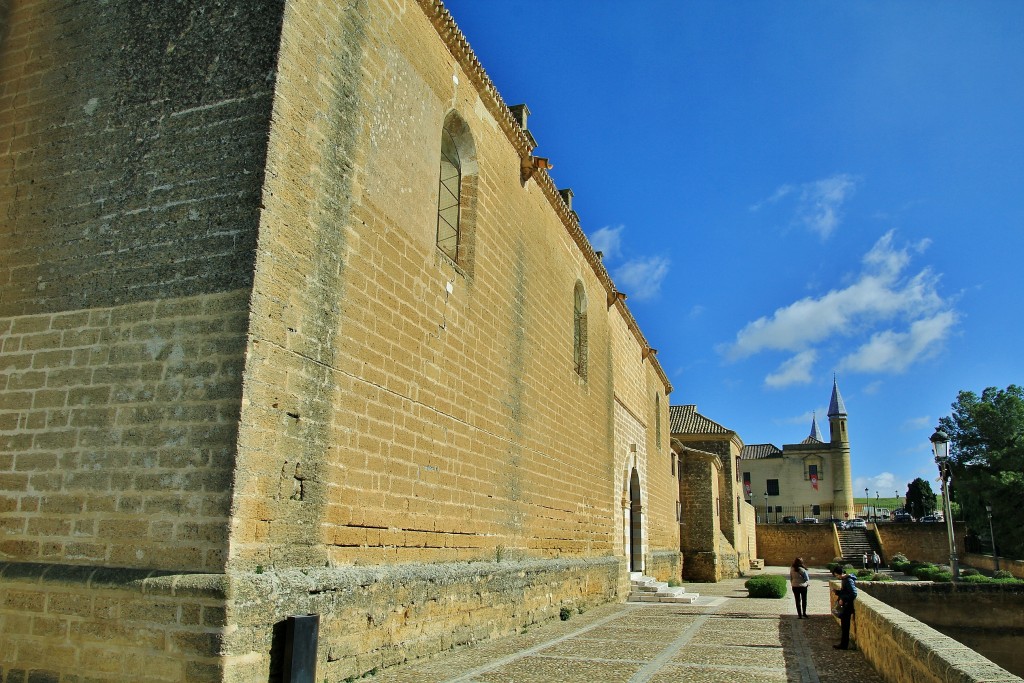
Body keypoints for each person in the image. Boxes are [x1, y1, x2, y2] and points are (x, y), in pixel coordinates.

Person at [831, 565, 858, 649]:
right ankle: (843, 644)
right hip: (846, 605)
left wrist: (843, 598)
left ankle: (844, 645)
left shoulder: (848, 580)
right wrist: (837, 592)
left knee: (845, 626)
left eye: (836, 575)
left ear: (839, 573)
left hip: (847, 606)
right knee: (844, 626)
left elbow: (853, 593)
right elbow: (845, 592)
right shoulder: (844, 579)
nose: (837, 577)